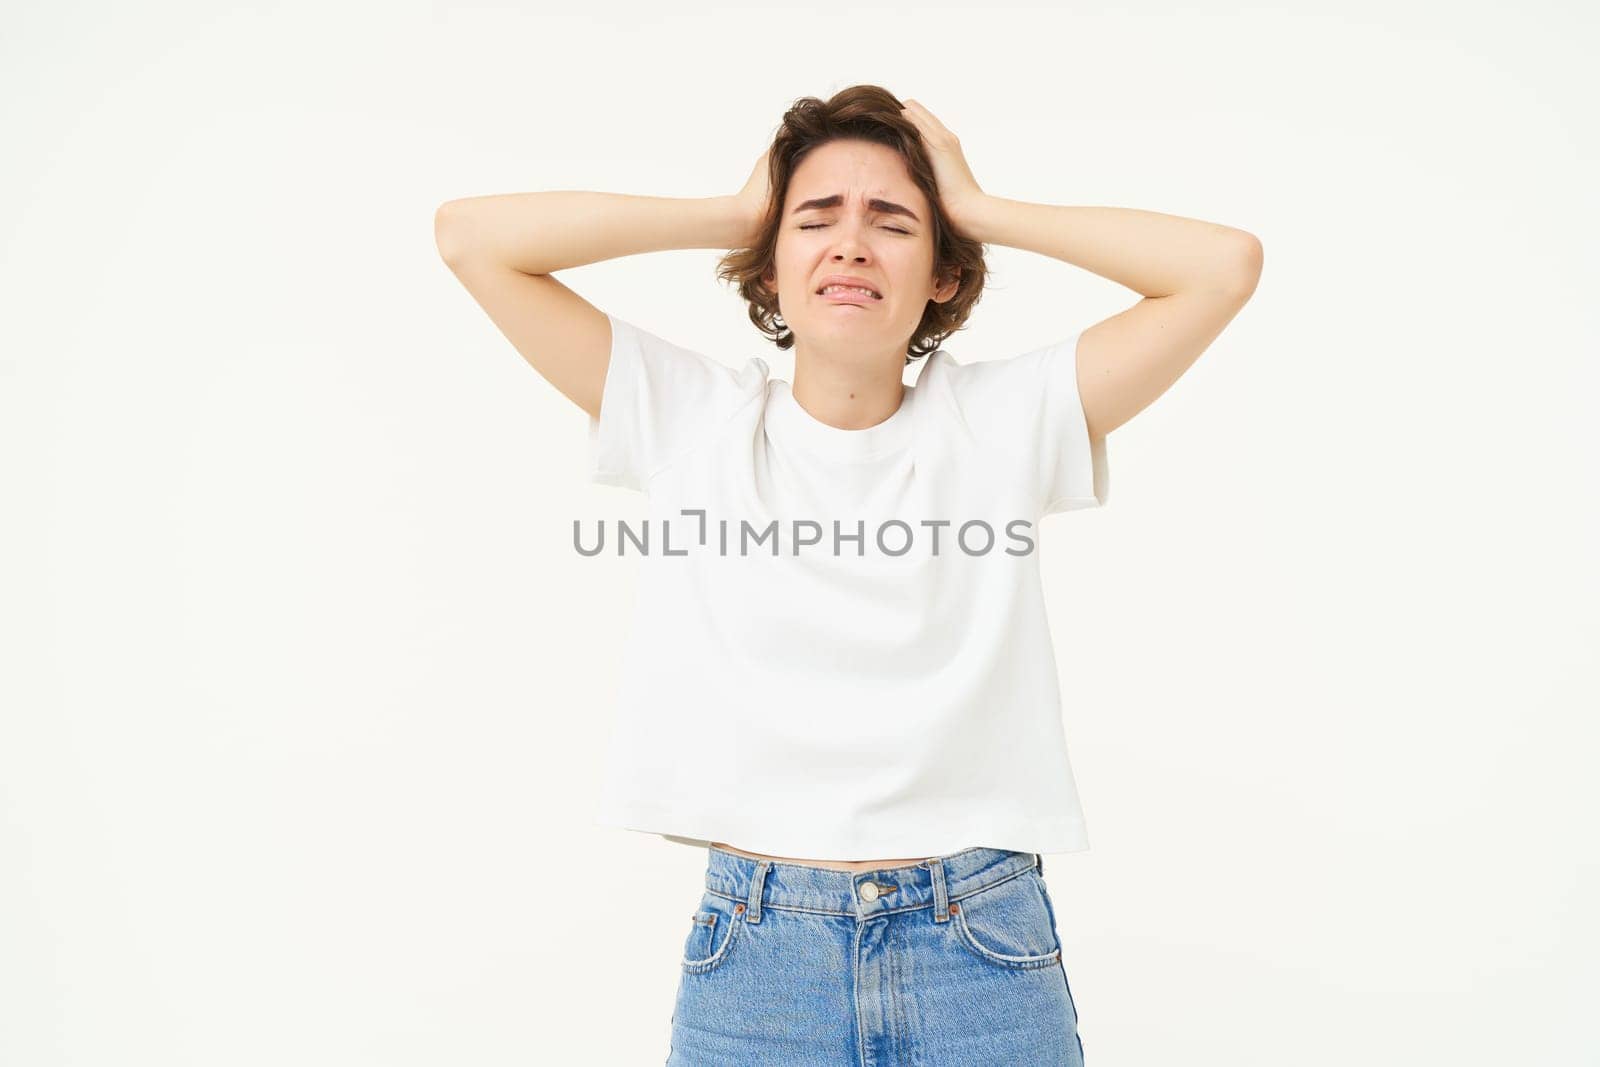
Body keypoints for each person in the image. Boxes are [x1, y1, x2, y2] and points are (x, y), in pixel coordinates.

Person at [436, 85, 1260, 1065]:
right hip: (758, 955)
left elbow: (1222, 266)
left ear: (943, 274)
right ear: (770, 267)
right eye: (815, 218)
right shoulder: (694, 419)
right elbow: (470, 238)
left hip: (980, 944)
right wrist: (730, 212)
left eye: (894, 221)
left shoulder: (997, 423)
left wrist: (980, 208)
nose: (851, 243)